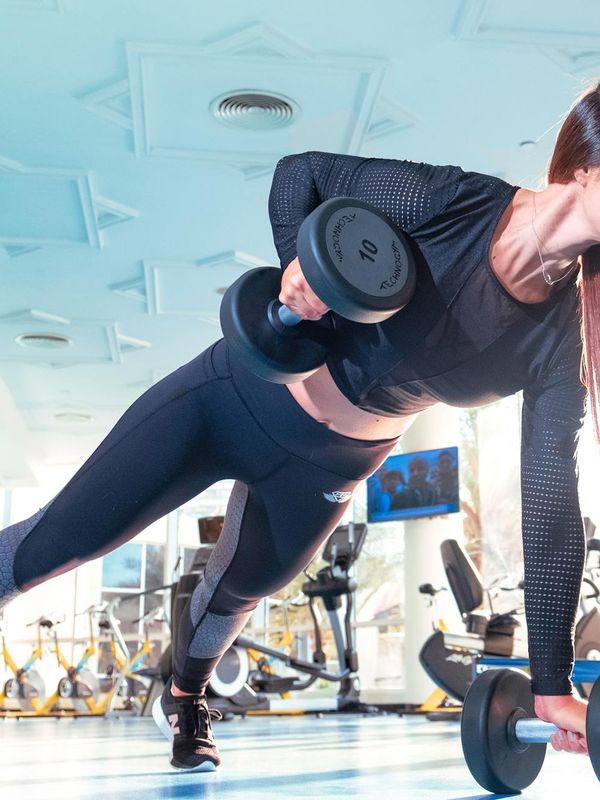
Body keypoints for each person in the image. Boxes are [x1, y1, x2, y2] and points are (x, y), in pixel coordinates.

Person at [2, 81, 600, 769]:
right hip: (231, 396)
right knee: (67, 541)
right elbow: (302, 176)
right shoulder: (457, 203)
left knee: (242, 588)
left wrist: (552, 686)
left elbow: (551, 510)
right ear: (584, 164)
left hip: (329, 465)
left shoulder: (561, 345)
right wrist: (299, 262)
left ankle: (187, 696)